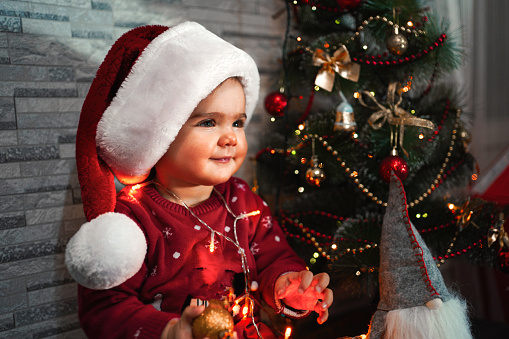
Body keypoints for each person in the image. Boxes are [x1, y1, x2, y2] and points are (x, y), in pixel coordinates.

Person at [65, 22, 333, 339]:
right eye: (208, 122)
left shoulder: (242, 199)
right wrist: (168, 331)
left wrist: (287, 286)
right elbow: (104, 310)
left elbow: (274, 256)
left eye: (237, 122)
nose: (231, 137)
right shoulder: (133, 220)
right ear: (159, 136)